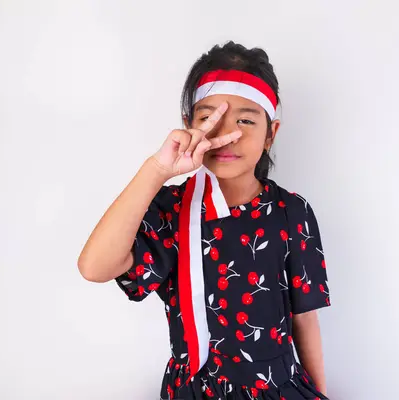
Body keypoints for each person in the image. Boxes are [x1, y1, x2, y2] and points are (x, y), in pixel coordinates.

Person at [78, 41, 331, 400]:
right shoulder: (170, 210)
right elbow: (94, 267)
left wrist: (320, 393)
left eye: (245, 119)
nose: (226, 134)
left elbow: (304, 319)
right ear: (189, 125)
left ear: (271, 133)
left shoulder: (292, 212)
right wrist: (157, 170)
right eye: (209, 117)